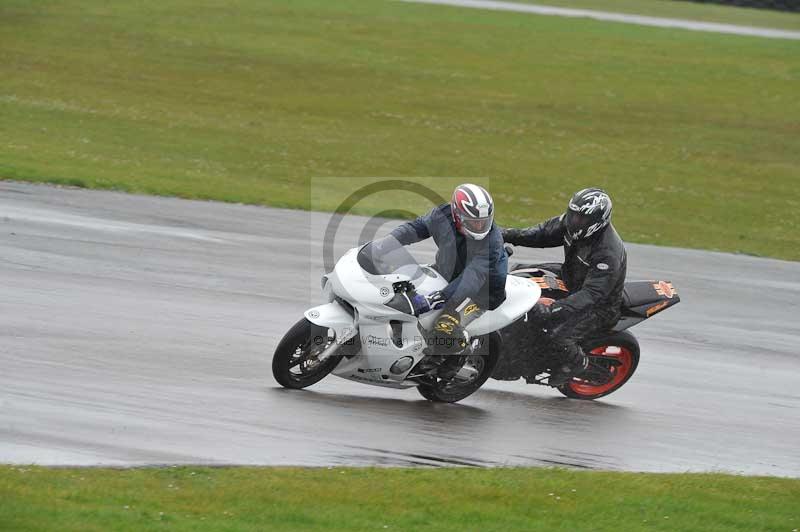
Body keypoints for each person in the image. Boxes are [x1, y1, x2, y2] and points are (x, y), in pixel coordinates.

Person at [502, 188, 627, 386]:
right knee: (516, 275)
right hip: (569, 279)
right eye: (573, 214)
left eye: (581, 218)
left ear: (597, 220)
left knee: (553, 332)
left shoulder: (607, 253)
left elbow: (592, 294)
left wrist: (554, 308)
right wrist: (504, 234)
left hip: (599, 306)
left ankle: (576, 363)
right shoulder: (570, 223)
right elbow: (540, 234)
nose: (574, 221)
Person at [380, 183, 508, 375]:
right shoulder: (442, 215)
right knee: (399, 291)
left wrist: (437, 298)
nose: (480, 226)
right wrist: (388, 243)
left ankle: (460, 353)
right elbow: (417, 227)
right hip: (446, 273)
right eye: (473, 222)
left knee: (444, 327)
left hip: (481, 292)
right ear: (457, 215)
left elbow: (471, 279)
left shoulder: (492, 242)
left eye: (484, 221)